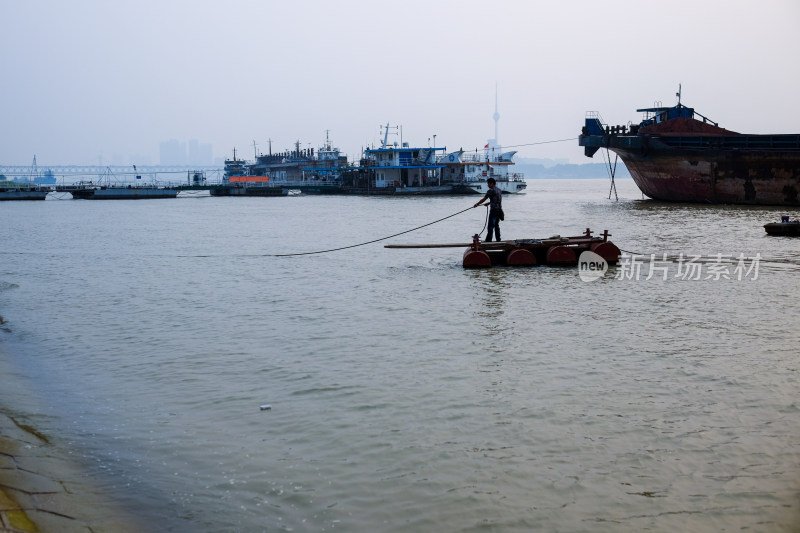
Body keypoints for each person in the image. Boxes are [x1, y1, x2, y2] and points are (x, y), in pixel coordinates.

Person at [473, 177, 502, 242]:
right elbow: (497, 200)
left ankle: (488, 240)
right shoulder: (499, 190)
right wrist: (489, 203)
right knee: (496, 225)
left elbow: (484, 199)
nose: (487, 185)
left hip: (494, 210)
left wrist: (477, 204)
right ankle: (498, 239)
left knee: (490, 226)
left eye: (488, 183)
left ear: (492, 183)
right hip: (499, 210)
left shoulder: (490, 190)